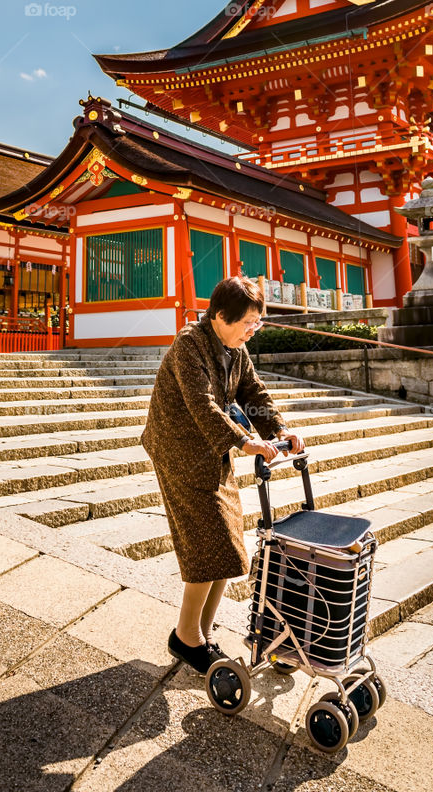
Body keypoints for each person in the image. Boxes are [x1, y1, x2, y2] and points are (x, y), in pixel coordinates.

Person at [141, 275, 306, 674]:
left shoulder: (236, 348)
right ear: (219, 316)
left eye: (258, 322)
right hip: (179, 450)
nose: (253, 330)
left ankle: (202, 631)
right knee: (208, 546)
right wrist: (245, 441)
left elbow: (253, 392)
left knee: (229, 548)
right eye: (248, 322)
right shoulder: (189, 345)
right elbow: (203, 406)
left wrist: (278, 430)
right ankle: (187, 637)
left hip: (211, 452)